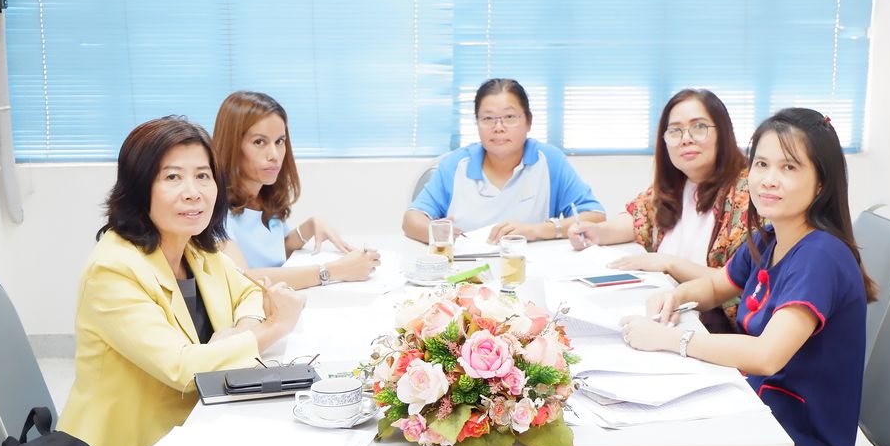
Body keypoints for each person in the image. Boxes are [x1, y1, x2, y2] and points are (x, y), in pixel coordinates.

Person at [620, 108, 877, 446]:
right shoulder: (770, 237)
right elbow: (717, 284)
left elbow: (766, 356)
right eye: (761, 164)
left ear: (821, 183)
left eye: (789, 167)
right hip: (754, 407)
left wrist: (671, 340)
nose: (769, 179)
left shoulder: (820, 257)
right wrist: (677, 295)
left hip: (796, 445)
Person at [58, 117, 305, 446]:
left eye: (203, 176)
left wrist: (243, 327)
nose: (193, 191)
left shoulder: (196, 248)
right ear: (140, 188)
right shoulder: (112, 270)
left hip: (198, 427)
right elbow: (182, 368)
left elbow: (248, 292)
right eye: (173, 177)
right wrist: (273, 329)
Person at [567, 88, 750, 332]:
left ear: (724, 133)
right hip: (666, 312)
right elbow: (638, 218)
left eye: (699, 127)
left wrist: (669, 264)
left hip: (717, 330)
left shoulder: (749, 194)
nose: (686, 139)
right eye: (675, 131)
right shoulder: (677, 184)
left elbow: (739, 282)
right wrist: (597, 232)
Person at [403, 78, 606, 243]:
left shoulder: (549, 161)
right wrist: (437, 233)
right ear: (477, 123)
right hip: (464, 269)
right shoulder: (455, 165)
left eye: (509, 117)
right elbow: (411, 220)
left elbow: (595, 216)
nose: (498, 128)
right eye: (488, 118)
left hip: (529, 267)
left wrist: (537, 230)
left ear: (528, 121)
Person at [213, 91, 380, 289]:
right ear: (232, 144)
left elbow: (274, 253)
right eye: (259, 142)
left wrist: (308, 227)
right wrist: (337, 270)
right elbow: (243, 279)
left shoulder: (265, 195)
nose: (274, 155)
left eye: (279, 141)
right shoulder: (212, 209)